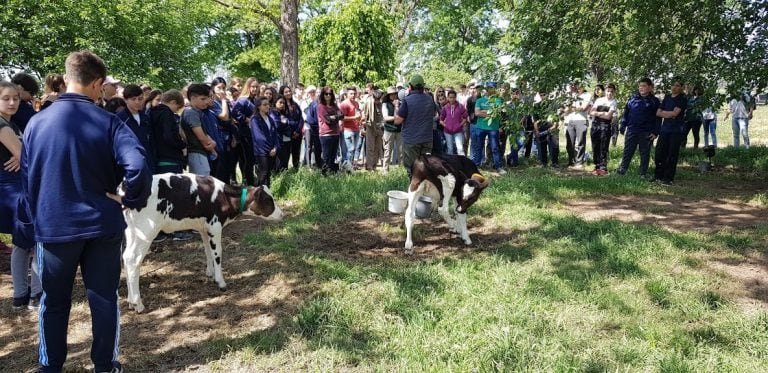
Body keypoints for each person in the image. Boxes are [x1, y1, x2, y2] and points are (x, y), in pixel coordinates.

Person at [22, 50, 152, 373]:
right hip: (102, 225)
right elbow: (138, 166)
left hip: (53, 226)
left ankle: (50, 366)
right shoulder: (110, 122)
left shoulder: (35, 123)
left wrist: (29, 221)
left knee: (53, 302)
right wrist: (131, 199)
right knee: (104, 299)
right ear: (97, 83)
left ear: (67, 79)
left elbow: (27, 181)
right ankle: (105, 366)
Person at [1, 81, 41, 311]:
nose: (12, 102)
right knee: (33, 241)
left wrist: (24, 153)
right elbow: (27, 156)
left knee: (22, 243)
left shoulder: (10, 124)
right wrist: (23, 153)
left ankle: (21, 295)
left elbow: (25, 155)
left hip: (16, 188)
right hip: (14, 191)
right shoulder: (3, 126)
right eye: (6, 98)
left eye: (15, 98)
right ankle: (34, 294)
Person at [617, 77, 661, 177]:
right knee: (628, 151)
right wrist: (623, 126)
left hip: (646, 132)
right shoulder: (633, 98)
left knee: (645, 153)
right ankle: (622, 170)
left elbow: (658, 118)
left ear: (650, 88)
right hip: (632, 130)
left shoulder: (655, 101)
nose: (641, 88)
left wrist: (655, 132)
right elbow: (626, 113)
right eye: (640, 86)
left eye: (644, 86)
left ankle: (642, 174)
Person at [395, 74, 437, 177]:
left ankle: (413, 189)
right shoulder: (429, 100)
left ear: (410, 86)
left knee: (412, 168)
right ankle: (425, 190)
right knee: (426, 167)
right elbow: (434, 114)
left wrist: (396, 108)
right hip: (427, 139)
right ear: (423, 86)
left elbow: (398, 121)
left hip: (411, 141)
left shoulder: (407, 101)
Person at [653, 78, 688, 185]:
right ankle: (658, 176)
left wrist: (667, 114)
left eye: (677, 85)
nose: (674, 87)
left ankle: (668, 178)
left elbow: (675, 114)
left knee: (672, 154)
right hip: (664, 130)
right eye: (673, 85)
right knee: (659, 153)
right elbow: (658, 112)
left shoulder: (682, 99)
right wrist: (668, 114)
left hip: (676, 130)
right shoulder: (667, 97)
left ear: (682, 88)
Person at [180, 83, 217, 175]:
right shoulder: (191, 113)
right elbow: (201, 137)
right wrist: (212, 146)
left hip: (199, 153)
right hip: (196, 152)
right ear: (192, 98)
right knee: (203, 182)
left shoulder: (196, 112)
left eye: (207, 98)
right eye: (203, 99)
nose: (207, 102)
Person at [117, 84, 155, 173]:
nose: (137, 102)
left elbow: (152, 142)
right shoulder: (119, 119)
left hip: (148, 164)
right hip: (128, 166)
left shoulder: (146, 118)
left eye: (140, 99)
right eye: (133, 99)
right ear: (126, 100)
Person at [472, 81, 506, 175]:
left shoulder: (498, 100)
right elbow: (477, 113)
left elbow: (497, 113)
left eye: (493, 88)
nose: (491, 89)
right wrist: (490, 112)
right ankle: (476, 166)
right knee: (479, 147)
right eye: (490, 88)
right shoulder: (480, 100)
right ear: (486, 88)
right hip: (480, 127)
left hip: (493, 128)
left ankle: (498, 167)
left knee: (495, 147)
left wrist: (484, 111)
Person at [231, 78, 259, 185]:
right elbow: (234, 112)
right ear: (248, 87)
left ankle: (250, 179)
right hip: (245, 133)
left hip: (254, 133)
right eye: (253, 87)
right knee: (248, 158)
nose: (255, 89)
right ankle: (248, 180)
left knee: (252, 157)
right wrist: (246, 119)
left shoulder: (255, 100)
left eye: (256, 87)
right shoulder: (243, 100)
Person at [589, 83, 618, 175]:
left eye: (611, 91)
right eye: (608, 91)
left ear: (614, 92)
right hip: (595, 125)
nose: (609, 93)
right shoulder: (599, 100)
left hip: (605, 126)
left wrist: (598, 113)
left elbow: (609, 117)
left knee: (604, 147)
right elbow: (591, 112)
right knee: (595, 146)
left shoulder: (614, 102)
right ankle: (596, 166)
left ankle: (603, 167)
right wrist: (602, 114)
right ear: (605, 91)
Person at [251, 97, 280, 186]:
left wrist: (275, 147)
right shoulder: (255, 119)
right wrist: (269, 149)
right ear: (259, 106)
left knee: (268, 173)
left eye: (268, 104)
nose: (268, 106)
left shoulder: (270, 119)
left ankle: (267, 193)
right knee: (263, 173)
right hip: (262, 151)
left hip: (272, 150)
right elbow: (259, 137)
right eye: (265, 104)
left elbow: (275, 134)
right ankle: (260, 194)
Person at [563, 82, 593, 168]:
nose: (578, 87)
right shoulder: (572, 95)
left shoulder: (587, 95)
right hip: (570, 120)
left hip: (581, 120)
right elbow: (565, 109)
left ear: (584, 86)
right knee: (570, 142)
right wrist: (571, 109)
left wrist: (571, 108)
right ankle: (571, 161)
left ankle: (579, 162)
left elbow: (583, 108)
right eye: (577, 85)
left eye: (581, 85)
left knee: (580, 142)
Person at [317, 86, 343, 175]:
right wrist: (336, 117)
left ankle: (331, 173)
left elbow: (342, 115)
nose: (328, 96)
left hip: (335, 133)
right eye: (326, 94)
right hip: (325, 135)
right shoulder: (321, 107)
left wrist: (333, 117)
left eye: (330, 94)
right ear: (322, 95)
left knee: (333, 155)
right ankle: (324, 174)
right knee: (326, 156)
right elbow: (327, 120)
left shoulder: (334, 105)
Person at [532, 88, 561, 168]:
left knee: (554, 146)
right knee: (541, 146)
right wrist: (536, 130)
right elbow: (535, 120)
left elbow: (557, 115)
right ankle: (543, 162)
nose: (542, 96)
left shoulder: (553, 104)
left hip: (552, 127)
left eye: (544, 94)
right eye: (540, 95)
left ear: (547, 94)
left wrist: (555, 125)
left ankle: (554, 163)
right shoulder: (537, 105)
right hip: (541, 128)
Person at [278, 85, 304, 170]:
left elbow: (301, 119)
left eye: (289, 91)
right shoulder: (281, 106)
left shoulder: (295, 104)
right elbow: (283, 120)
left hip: (297, 134)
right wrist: (291, 132)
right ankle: (284, 172)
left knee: (296, 153)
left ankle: (296, 170)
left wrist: (297, 130)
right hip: (287, 135)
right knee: (286, 155)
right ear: (282, 93)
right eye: (286, 92)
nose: (288, 93)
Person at [340, 87, 363, 171]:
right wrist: (354, 117)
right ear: (346, 94)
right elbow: (342, 118)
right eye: (351, 93)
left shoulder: (356, 103)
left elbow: (358, 114)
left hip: (356, 129)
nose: (353, 95)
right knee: (349, 150)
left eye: (354, 93)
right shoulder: (344, 104)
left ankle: (349, 167)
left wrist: (361, 118)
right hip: (347, 130)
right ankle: (346, 168)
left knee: (354, 150)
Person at [440, 90, 468, 156]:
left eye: (453, 97)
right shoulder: (445, 108)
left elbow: (465, 117)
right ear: (448, 98)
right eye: (450, 97)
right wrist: (446, 126)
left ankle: (463, 164)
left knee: (460, 149)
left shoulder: (460, 106)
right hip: (447, 132)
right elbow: (441, 120)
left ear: (456, 97)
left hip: (458, 131)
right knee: (450, 149)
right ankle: (451, 165)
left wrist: (460, 125)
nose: (452, 99)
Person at [362, 89, 384, 170]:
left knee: (378, 147)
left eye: (379, 99)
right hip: (370, 126)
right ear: (373, 97)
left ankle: (374, 165)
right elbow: (364, 115)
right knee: (370, 147)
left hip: (379, 127)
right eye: (376, 99)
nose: (377, 101)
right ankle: (369, 166)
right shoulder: (368, 103)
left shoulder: (382, 104)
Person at [382, 87, 402, 173]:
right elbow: (386, 118)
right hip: (389, 130)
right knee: (387, 151)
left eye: (395, 94)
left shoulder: (401, 104)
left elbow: (402, 116)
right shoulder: (385, 104)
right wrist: (396, 117)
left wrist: (397, 106)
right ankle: (385, 170)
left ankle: (402, 169)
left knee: (401, 152)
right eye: (391, 94)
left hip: (399, 130)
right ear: (388, 95)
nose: (393, 95)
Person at [303, 86, 322, 169]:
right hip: (309, 128)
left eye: (319, 92)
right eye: (316, 92)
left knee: (318, 147)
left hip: (319, 129)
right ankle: (308, 166)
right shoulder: (309, 103)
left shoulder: (322, 103)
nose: (317, 94)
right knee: (309, 146)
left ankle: (318, 164)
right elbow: (307, 117)